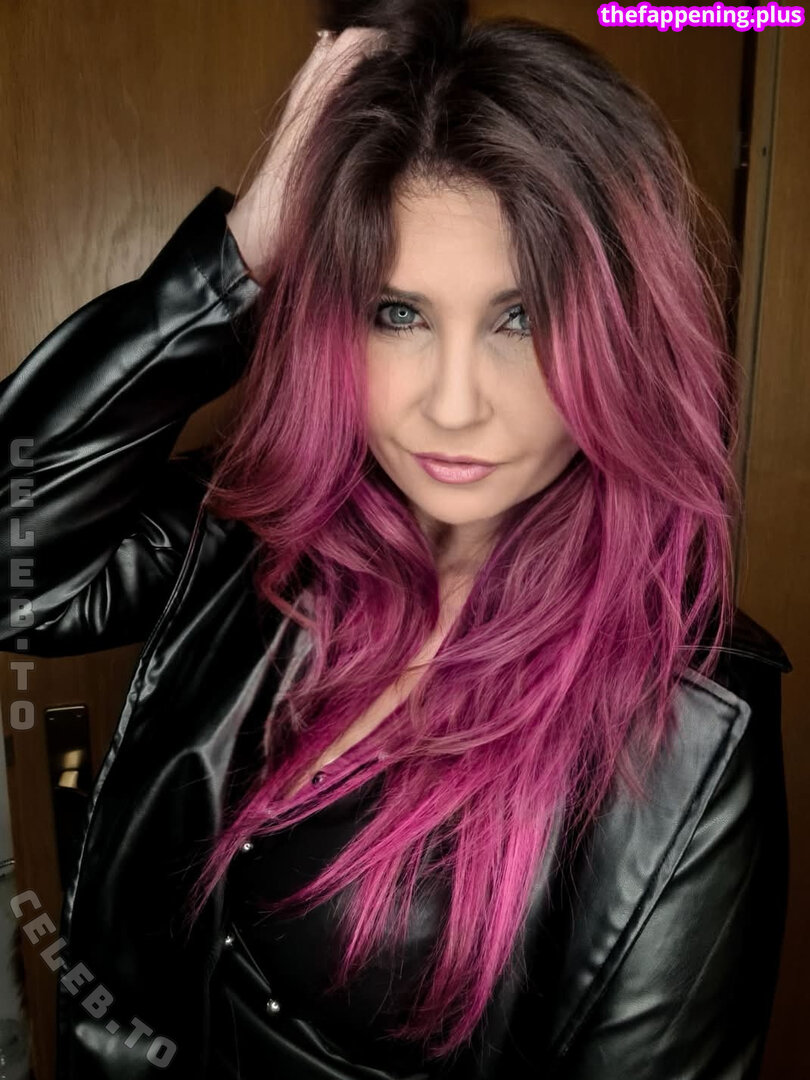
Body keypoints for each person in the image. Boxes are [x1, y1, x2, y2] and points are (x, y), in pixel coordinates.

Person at [0, 2, 793, 1078]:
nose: (452, 407)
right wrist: (243, 253)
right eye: (398, 314)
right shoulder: (262, 533)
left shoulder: (689, 718)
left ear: (621, 336)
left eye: (521, 319)